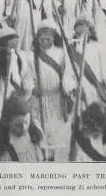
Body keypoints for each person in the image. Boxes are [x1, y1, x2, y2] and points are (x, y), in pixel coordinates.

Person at [27, 20, 75, 159]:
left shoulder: (61, 53)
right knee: (40, 127)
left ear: (54, 38)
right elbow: (27, 75)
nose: (45, 42)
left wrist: (68, 88)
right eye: (42, 39)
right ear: (38, 39)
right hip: (39, 97)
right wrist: (32, 87)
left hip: (56, 97)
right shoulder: (31, 56)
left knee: (56, 127)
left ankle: (54, 157)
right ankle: (42, 157)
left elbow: (68, 74)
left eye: (48, 39)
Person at [0, 94, 48, 161]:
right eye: (18, 125)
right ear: (7, 122)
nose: (24, 128)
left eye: (27, 122)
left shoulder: (34, 130)